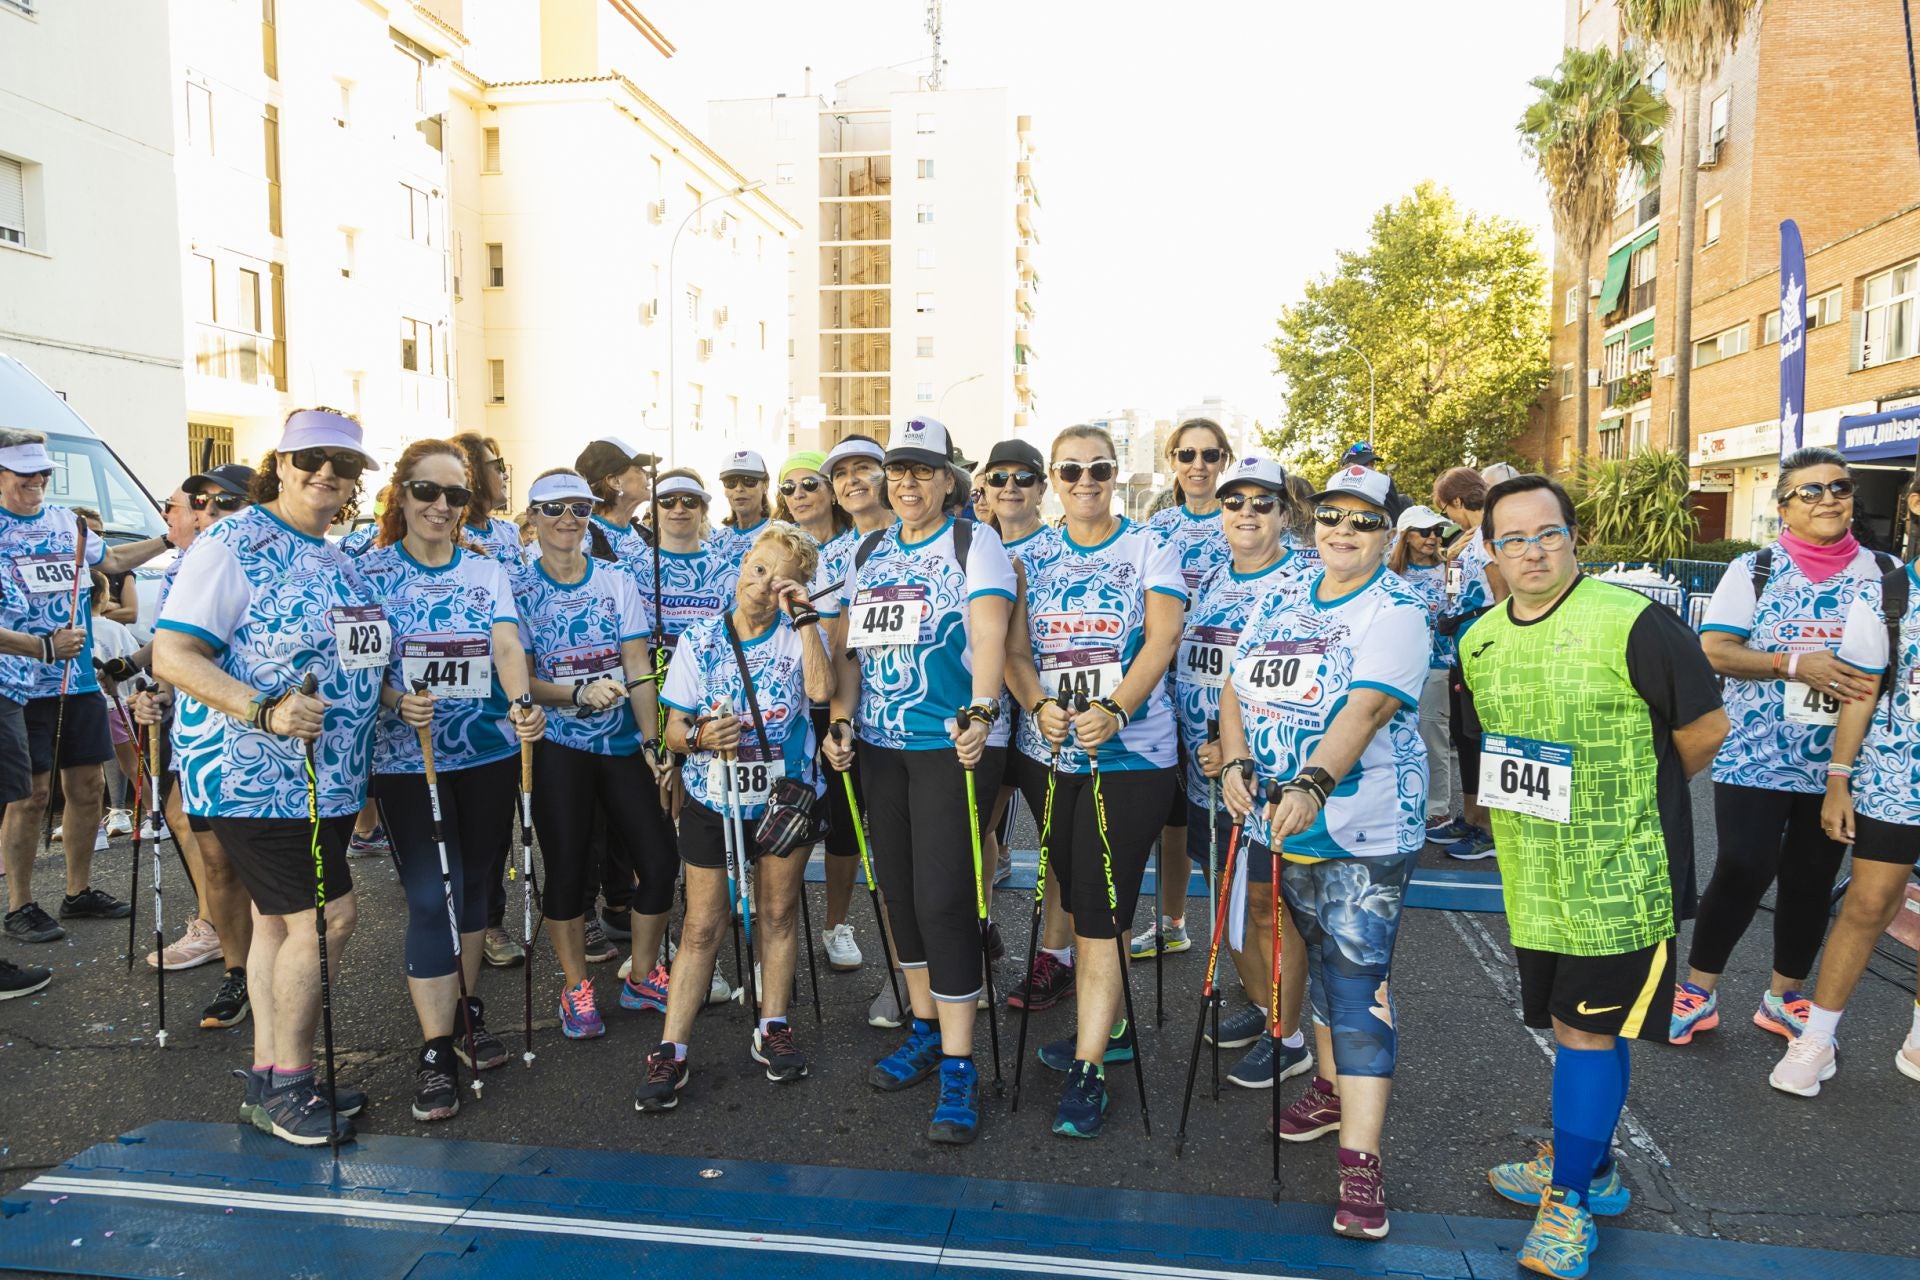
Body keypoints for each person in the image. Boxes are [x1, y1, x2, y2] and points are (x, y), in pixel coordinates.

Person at [1464, 474, 1726, 1279]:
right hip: (1534, 878)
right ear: (1492, 552)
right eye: (1513, 539)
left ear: (1575, 537)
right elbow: (1485, 757)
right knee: (1580, 1029)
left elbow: (1705, 728)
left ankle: (1569, 1201)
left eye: (1548, 534)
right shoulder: (1478, 641)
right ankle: (1595, 1169)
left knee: (1583, 1031)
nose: (1532, 551)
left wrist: (1633, 800)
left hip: (1623, 877)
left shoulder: (1634, 620)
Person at [154, 407, 385, 1146]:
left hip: (329, 779)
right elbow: (174, 656)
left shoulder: (338, 554)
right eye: (311, 457)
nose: (328, 473)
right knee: (328, 920)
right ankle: (290, 1086)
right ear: (280, 463)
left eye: (344, 464)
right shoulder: (231, 542)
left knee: (275, 923)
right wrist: (263, 710)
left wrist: (394, 692)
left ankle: (269, 1078)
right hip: (255, 777)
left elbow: (356, 652)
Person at [1216, 463, 1431, 1241]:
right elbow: (1237, 687)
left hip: (1361, 827)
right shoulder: (1281, 592)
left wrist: (1310, 780)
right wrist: (1238, 761)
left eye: (1364, 521)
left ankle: (1362, 1163)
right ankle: (1335, 1088)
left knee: (1358, 981)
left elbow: (1368, 706)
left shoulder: (1397, 608)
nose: (1343, 531)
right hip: (1283, 821)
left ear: (1388, 532)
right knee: (1313, 960)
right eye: (1332, 517)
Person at [823, 416, 1015, 1145]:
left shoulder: (974, 542)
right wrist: (841, 719)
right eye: (896, 471)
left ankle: (962, 1065)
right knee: (897, 894)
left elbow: (991, 635)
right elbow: (848, 651)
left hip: (949, 747)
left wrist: (982, 708)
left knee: (944, 900)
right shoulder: (867, 548)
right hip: (879, 746)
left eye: (922, 471)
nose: (906, 483)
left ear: (947, 481)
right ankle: (927, 1027)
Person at [1673, 448, 1895, 1045]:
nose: (1828, 499)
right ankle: (1697, 990)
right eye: (1811, 491)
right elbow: (1714, 649)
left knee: (1811, 877)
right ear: (1784, 508)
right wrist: (1795, 664)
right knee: (1743, 865)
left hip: (1848, 762)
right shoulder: (1757, 568)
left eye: (1839, 488)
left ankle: (1783, 995)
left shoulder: (1886, 572)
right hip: (1756, 750)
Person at [1002, 423, 1184, 1140]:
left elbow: (1164, 636)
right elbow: (1015, 651)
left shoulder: (1148, 545)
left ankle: (1089, 1065)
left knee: (1104, 906)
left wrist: (1117, 708)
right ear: (1052, 477)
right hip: (1047, 755)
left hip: (1132, 756)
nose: (1085, 481)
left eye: (1099, 469)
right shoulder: (1029, 556)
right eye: (1070, 470)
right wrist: (1037, 705)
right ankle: (1103, 1028)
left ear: (1116, 475)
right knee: (1079, 901)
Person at [359, 440, 544, 1121]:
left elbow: (505, 645)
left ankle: (464, 1010)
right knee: (430, 897)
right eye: (427, 492)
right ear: (401, 495)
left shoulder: (485, 569)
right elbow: (361, 663)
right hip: (410, 761)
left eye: (455, 495)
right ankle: (434, 1050)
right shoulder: (370, 571)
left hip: (485, 753)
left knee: (473, 890)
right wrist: (392, 701)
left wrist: (523, 702)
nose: (441, 506)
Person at [638, 523, 833, 1109]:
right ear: (742, 564)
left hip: (782, 798)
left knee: (776, 913)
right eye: (758, 568)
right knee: (702, 925)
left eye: (780, 578)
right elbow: (673, 730)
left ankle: (772, 1026)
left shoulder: (800, 633)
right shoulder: (700, 639)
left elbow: (821, 695)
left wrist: (803, 622)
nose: (763, 584)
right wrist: (700, 734)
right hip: (713, 797)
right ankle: (670, 1049)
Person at [512, 470, 674, 1040]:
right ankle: (575, 986)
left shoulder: (614, 577)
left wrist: (653, 738)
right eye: (552, 508)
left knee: (658, 860)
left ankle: (645, 973)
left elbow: (636, 665)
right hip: (559, 745)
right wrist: (576, 693)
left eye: (579, 509)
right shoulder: (518, 585)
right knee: (569, 871)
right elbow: (520, 679)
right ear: (532, 516)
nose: (567, 520)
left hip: (620, 743)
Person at [1773, 467, 1920, 1096]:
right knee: (1865, 905)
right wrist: (1839, 779)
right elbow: (1859, 693)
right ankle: (1816, 1040)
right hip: (1897, 775)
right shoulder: (1891, 594)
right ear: (1916, 502)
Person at [1172, 455, 1313, 1089]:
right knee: (1230, 901)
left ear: (1286, 512)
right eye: (1236, 502)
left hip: (1270, 776)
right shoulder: (1210, 579)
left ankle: (1290, 1036)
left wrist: (1241, 749)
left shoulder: (1306, 578)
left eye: (1263, 502)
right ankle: (1261, 1010)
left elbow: (1307, 686)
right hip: (1204, 773)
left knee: (1265, 905)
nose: (1247, 513)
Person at [1, 429, 170, 945]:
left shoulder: (66, 524)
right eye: (24, 471)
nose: (37, 481)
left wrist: (170, 539)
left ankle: (77, 892)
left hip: (75, 681)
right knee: (30, 797)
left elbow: (113, 562)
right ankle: (20, 904)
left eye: (43, 472)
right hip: (18, 682)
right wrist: (41, 646)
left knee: (88, 787)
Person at [130, 464, 257, 1030]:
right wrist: (152, 696)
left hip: (265, 742)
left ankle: (274, 970)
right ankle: (237, 973)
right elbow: (174, 652)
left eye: (222, 504)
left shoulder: (269, 564)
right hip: (202, 741)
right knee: (218, 864)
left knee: (271, 876)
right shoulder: (186, 566)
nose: (207, 514)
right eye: (200, 503)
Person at [1135, 418, 1233, 963]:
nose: (1199, 465)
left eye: (1211, 455)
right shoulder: (1156, 528)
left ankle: (1237, 936)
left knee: (1217, 819)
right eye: (1188, 454)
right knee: (1171, 817)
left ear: (1225, 461)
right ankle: (1173, 922)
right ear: (1172, 459)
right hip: (1160, 688)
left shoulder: (1242, 519)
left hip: (1221, 696)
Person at [821, 434, 909, 1025]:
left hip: (940, 730)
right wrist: (840, 722)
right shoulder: (833, 558)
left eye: (865, 469)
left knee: (946, 861)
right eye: (841, 474)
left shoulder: (943, 536)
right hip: (870, 729)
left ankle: (953, 966)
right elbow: (838, 652)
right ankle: (904, 980)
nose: (853, 481)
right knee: (893, 867)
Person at [771, 451, 865, 975]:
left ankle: (836, 924)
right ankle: (769, 930)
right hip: (783, 706)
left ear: (831, 492)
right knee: (778, 819)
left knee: (845, 823)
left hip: (842, 702)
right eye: (789, 487)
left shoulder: (858, 546)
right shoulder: (768, 547)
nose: (800, 493)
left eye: (811, 483)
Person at [567, 437, 661, 961]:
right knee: (590, 823)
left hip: (638, 688)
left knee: (633, 809)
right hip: (588, 697)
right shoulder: (590, 533)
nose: (645, 477)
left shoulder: (643, 534)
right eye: (636, 469)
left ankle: (619, 903)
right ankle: (582, 915)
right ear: (611, 481)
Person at [1426, 466, 1507, 860]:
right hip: (1461, 650)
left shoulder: (1489, 537)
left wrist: (1470, 622)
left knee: (1482, 739)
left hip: (1485, 651)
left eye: (1446, 508)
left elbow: (1502, 597)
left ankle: (1489, 826)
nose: (1447, 517)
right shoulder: (1465, 539)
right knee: (1463, 735)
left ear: (1458, 500)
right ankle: (1472, 815)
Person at [1389, 505, 1454, 832]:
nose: (1433, 538)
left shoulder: (1451, 568)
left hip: (1437, 665)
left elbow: (1459, 608)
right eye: (1425, 531)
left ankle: (1437, 809)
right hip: (1393, 666)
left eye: (1437, 532)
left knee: (1432, 737)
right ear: (1406, 536)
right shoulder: (1388, 572)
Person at [449, 432, 524, 565]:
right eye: (498, 467)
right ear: (474, 475)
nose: (506, 475)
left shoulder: (511, 531)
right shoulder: (452, 536)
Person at [710, 450, 772, 566]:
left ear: (765, 485)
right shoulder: (715, 540)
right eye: (730, 482)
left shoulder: (780, 536)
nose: (739, 488)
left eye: (749, 481)